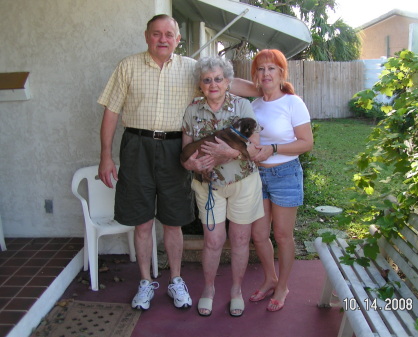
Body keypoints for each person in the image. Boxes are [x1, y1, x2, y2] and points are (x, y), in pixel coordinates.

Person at [97, 14, 258, 311]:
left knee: (173, 220)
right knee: (142, 220)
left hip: (175, 148)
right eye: (156, 34)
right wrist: (106, 156)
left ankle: (176, 280)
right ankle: (146, 282)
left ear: (177, 39)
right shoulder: (128, 66)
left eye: (169, 34)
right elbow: (111, 112)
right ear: (147, 36)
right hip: (136, 146)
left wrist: (267, 88)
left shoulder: (189, 68)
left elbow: (223, 82)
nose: (162, 39)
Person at [181, 57, 264, 317]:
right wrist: (191, 166)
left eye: (218, 79)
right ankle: (208, 289)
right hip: (208, 186)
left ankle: (236, 291)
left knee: (240, 239)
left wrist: (229, 152)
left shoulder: (243, 107)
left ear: (228, 82)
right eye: (207, 80)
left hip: (242, 182)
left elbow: (255, 149)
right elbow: (184, 155)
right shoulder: (192, 110)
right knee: (213, 241)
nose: (213, 84)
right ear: (200, 84)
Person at [249, 49, 313, 312]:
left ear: (282, 73)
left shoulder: (292, 102)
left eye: (271, 68)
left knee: (283, 236)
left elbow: (306, 143)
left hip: (285, 173)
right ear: (255, 75)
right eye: (261, 69)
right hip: (258, 175)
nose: (266, 74)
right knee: (259, 234)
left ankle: (283, 286)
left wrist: (273, 148)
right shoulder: (254, 106)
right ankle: (269, 279)